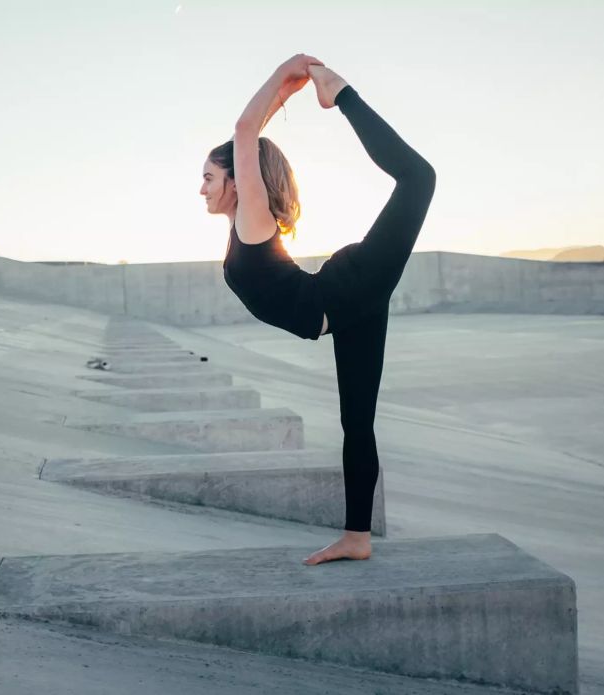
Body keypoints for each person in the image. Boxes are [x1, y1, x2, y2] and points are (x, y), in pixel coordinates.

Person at [200, 55, 436, 565]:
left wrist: (288, 78)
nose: (201, 187)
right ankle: (357, 537)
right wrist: (285, 92)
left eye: (209, 176)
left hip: (348, 290)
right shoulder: (241, 231)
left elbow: (246, 132)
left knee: (419, 178)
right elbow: (250, 142)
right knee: (358, 422)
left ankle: (342, 93)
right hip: (346, 308)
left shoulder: (253, 222)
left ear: (238, 181)